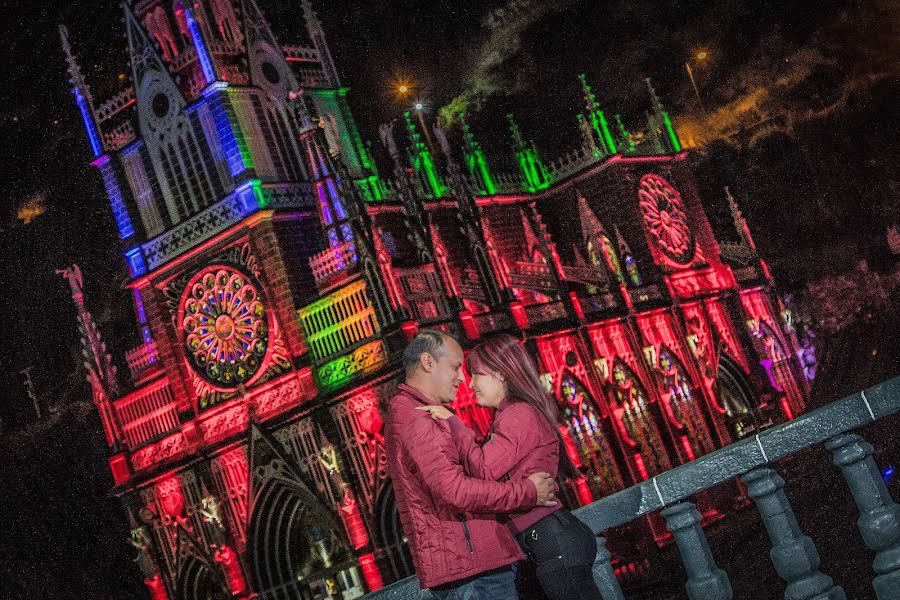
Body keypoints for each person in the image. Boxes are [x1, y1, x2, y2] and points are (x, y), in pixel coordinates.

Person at [418, 334, 603, 600]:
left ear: (501, 375)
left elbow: (483, 471)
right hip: (547, 541)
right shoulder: (512, 415)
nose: (471, 385)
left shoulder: (519, 415)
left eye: (477, 375)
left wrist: (454, 424)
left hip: (551, 542)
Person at [385, 330, 559, 599]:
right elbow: (456, 491)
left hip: (474, 565)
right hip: (471, 572)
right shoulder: (416, 418)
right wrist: (528, 493)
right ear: (428, 362)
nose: (462, 379)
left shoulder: (419, 413)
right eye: (455, 367)